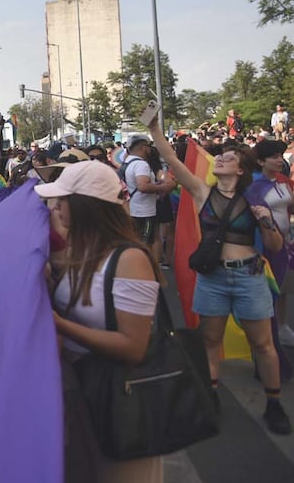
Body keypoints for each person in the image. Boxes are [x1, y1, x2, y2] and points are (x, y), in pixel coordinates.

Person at [147, 117, 291, 435]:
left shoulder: (254, 200)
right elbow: (172, 158)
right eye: (221, 156)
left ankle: (274, 404)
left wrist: (266, 221)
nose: (221, 158)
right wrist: (154, 130)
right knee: (210, 340)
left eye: (228, 158)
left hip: (250, 278)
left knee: (263, 344)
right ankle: (211, 396)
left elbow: (275, 245)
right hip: (212, 279)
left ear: (240, 170)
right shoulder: (202, 191)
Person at [37, 161, 163, 481]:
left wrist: (58, 323)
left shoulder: (130, 259)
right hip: (84, 392)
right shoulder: (81, 251)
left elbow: (133, 346)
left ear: (85, 207)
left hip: (122, 402)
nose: (55, 207)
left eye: (62, 200)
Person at [250, 139, 294, 347]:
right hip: (266, 247)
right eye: (274, 157)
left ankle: (283, 326)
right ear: (260, 161)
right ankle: (270, 335)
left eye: (280, 156)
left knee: (285, 286)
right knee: (270, 290)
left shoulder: (282, 180)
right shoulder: (253, 186)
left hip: (287, 242)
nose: (279, 160)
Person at [123, 135, 175, 246]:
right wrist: (162, 187)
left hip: (133, 209)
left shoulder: (127, 163)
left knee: (138, 241)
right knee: (147, 242)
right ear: (144, 147)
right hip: (144, 211)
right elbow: (143, 186)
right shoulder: (141, 164)